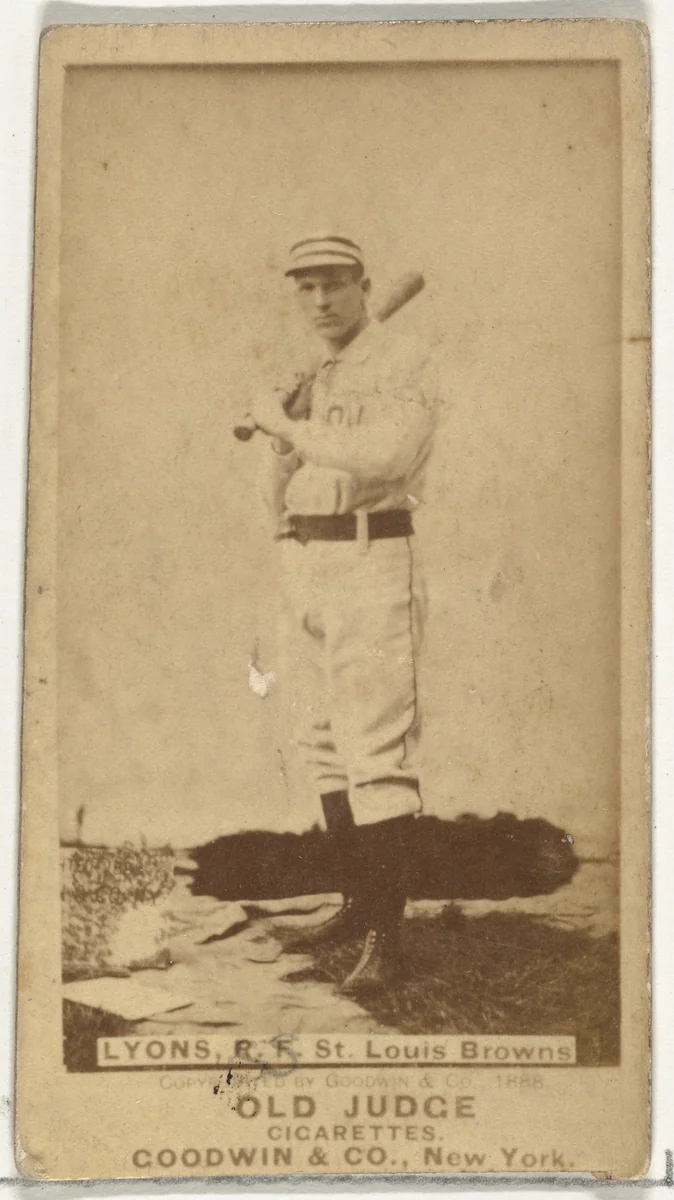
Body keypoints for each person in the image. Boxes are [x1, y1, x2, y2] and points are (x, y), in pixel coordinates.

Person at [249, 234, 439, 994]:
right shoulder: (316, 370)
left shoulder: (403, 362)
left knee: (375, 748)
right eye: (306, 287)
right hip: (308, 558)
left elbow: (387, 457)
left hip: (372, 555)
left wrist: (289, 427)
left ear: (364, 284)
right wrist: (281, 459)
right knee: (321, 739)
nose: (320, 300)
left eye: (333, 283)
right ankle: (358, 909)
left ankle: (388, 944)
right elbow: (284, 476)